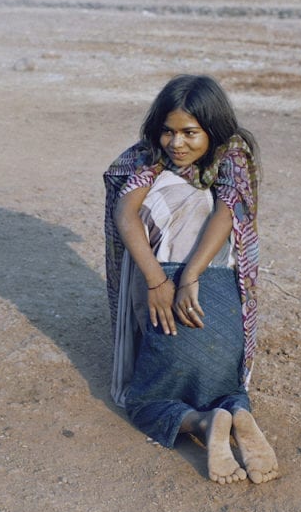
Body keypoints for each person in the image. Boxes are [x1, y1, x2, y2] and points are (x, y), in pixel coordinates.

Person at [104, 74, 278, 484]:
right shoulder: (229, 162)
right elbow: (227, 211)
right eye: (167, 131)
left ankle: (201, 424)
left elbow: (124, 214)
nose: (175, 143)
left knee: (143, 402)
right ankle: (237, 410)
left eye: (189, 133)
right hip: (222, 299)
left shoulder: (150, 168)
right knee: (226, 382)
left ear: (211, 130)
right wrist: (191, 277)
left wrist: (159, 282)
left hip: (166, 295)